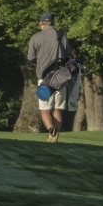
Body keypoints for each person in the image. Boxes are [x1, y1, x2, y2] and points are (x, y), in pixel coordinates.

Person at [25, 13, 78, 142]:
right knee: (57, 110)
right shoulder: (62, 36)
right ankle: (54, 139)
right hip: (60, 77)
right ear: (52, 22)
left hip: (44, 78)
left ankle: (50, 129)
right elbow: (67, 55)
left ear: (41, 23)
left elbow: (31, 57)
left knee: (44, 110)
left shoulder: (36, 37)